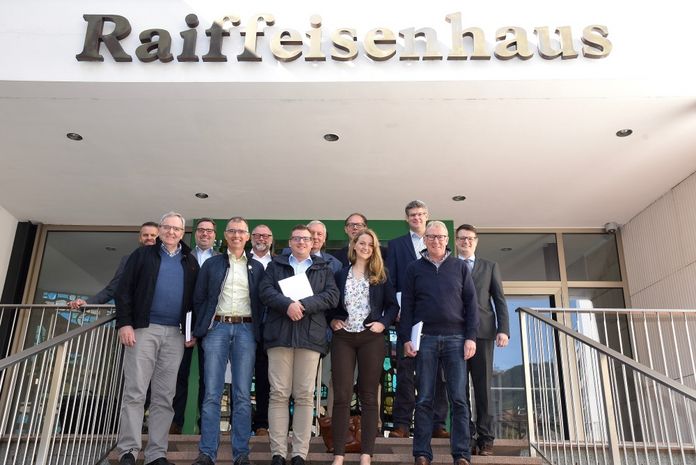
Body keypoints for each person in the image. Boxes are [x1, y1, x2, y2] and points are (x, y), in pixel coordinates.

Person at [114, 212, 199, 465]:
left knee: (164, 396)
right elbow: (123, 290)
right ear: (160, 229)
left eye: (177, 229)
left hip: (175, 335)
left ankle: (156, 453)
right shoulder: (142, 255)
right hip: (143, 329)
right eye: (167, 227)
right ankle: (128, 450)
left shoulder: (190, 260)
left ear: (183, 233)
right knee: (135, 392)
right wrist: (125, 323)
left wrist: (191, 331)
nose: (172, 232)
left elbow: (195, 300)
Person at [399, 221, 479, 465]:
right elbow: (407, 307)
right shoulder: (414, 269)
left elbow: (471, 304)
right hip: (425, 340)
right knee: (424, 398)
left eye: (441, 236)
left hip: (456, 338)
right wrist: (406, 339)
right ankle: (422, 453)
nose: (436, 241)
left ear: (447, 240)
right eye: (431, 236)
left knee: (459, 399)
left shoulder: (460, 267)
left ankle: (462, 454)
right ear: (425, 240)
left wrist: (471, 337)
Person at [259, 224, 340, 465]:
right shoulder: (276, 265)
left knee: (305, 395)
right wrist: (287, 305)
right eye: (297, 238)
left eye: (306, 239)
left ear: (313, 243)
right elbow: (265, 291)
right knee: (279, 393)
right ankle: (278, 452)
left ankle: (299, 453)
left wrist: (303, 305)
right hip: (279, 336)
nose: (302, 242)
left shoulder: (323, 268)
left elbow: (332, 296)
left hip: (310, 338)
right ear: (290, 242)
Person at [190, 217, 265, 465]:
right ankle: (207, 452)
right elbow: (199, 298)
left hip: (246, 330)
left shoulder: (257, 267)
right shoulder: (211, 264)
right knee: (212, 393)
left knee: (242, 394)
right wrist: (202, 327)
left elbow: (263, 302)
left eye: (241, 231)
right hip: (217, 328)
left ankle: (241, 453)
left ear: (247, 237)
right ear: (225, 235)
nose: (236, 235)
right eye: (232, 231)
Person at [328, 229, 399, 465]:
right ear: (354, 245)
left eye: (370, 244)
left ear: (374, 249)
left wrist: (383, 323)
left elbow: (393, 306)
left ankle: (366, 454)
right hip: (343, 338)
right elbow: (331, 303)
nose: (365, 247)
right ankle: (339, 454)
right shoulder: (340, 274)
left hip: (371, 338)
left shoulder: (381, 275)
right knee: (342, 396)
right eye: (362, 243)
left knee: (369, 396)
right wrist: (332, 320)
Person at [385, 201, 449, 439]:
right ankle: (402, 423)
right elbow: (390, 280)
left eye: (421, 214)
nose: (417, 218)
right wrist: (397, 308)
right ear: (407, 218)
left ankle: (437, 424)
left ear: (427, 216)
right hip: (407, 317)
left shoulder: (440, 244)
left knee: (437, 373)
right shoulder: (396, 245)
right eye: (412, 215)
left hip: (434, 318)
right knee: (405, 371)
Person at [455, 224, 509, 456]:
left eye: (470, 238)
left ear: (476, 241)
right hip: (455, 334)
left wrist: (503, 329)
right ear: (456, 241)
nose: (466, 241)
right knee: (459, 389)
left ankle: (486, 438)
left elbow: (499, 299)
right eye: (462, 238)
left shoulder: (490, 266)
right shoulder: (449, 265)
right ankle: (466, 436)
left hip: (484, 333)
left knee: (482, 388)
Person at [171, 218, 220, 434]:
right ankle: (175, 423)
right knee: (179, 373)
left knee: (209, 377)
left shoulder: (221, 260)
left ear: (215, 235)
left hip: (211, 324)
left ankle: (205, 426)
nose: (205, 234)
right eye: (201, 230)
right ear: (195, 234)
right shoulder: (183, 256)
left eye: (209, 231)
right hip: (184, 322)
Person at [68, 222, 159, 308]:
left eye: (153, 235)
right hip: (137, 315)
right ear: (140, 238)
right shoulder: (128, 260)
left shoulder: (166, 260)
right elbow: (113, 288)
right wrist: (87, 303)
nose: (149, 238)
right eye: (145, 235)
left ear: (160, 238)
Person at [249, 224, 274, 437]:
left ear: (271, 239)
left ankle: (262, 424)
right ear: (251, 238)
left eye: (266, 236)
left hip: (270, 329)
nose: (261, 239)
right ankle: (238, 422)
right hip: (244, 326)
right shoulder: (240, 260)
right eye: (257, 235)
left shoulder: (278, 263)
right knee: (239, 378)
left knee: (265, 379)